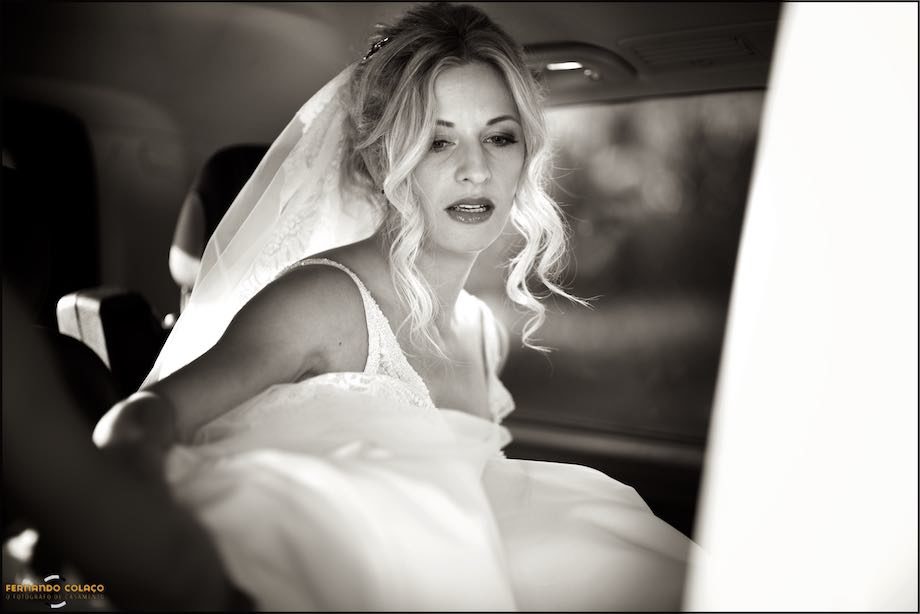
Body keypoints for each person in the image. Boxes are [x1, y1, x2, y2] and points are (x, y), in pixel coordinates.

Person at [95, 2, 695, 610]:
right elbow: (138, 421)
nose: (475, 169)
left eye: (499, 136)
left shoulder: (480, 330)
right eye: (437, 142)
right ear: (386, 160)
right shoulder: (323, 302)